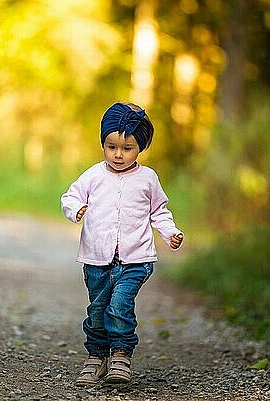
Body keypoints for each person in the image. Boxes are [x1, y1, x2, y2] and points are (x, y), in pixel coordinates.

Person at [61, 102, 184, 386]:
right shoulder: (93, 175)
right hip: (96, 260)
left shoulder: (147, 178)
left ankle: (121, 355)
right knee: (97, 310)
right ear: (103, 143)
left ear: (139, 147)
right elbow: (69, 197)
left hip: (135, 260)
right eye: (111, 146)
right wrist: (76, 208)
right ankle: (97, 357)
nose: (118, 154)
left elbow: (159, 211)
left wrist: (170, 233)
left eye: (127, 148)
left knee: (119, 305)